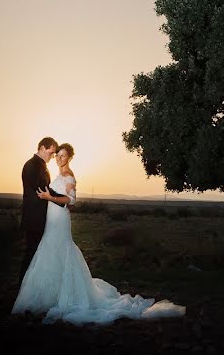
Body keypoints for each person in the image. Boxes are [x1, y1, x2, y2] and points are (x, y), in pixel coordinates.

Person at [12, 142, 186, 324]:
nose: (58, 158)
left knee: (61, 250)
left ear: (69, 158)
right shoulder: (57, 174)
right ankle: (49, 292)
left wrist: (50, 197)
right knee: (48, 251)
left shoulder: (69, 176)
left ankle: (64, 293)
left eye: (62, 156)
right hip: (51, 219)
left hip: (60, 219)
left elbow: (71, 201)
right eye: (57, 155)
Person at [19, 137, 68, 275]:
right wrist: (62, 201)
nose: (52, 157)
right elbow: (42, 190)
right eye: (51, 153)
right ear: (42, 148)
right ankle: (23, 288)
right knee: (32, 254)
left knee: (38, 255)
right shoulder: (31, 166)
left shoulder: (42, 167)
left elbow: (46, 189)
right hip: (34, 218)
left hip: (41, 217)